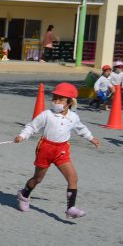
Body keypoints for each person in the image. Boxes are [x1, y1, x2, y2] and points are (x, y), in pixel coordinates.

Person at [15, 82, 101, 219]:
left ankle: (70, 209)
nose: (56, 102)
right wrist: (22, 136)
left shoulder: (73, 117)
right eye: (54, 98)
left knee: (73, 178)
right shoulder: (46, 114)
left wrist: (91, 138)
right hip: (45, 148)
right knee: (38, 179)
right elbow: (32, 126)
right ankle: (24, 195)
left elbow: (81, 129)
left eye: (60, 99)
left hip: (62, 150)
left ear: (70, 102)